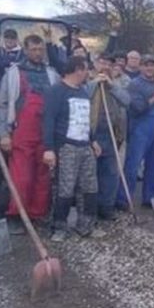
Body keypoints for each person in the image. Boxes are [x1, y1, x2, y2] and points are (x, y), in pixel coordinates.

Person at [0, 35, 60, 230]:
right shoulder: (13, 74)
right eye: (33, 50)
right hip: (22, 131)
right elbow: (2, 105)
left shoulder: (52, 74)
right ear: (25, 49)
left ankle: (37, 214)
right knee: (22, 177)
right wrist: (3, 134)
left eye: (41, 50)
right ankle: (16, 216)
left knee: (43, 175)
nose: (38, 53)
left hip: (46, 132)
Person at [43, 57, 105, 240]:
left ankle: (86, 225)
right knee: (65, 188)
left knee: (89, 187)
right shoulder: (56, 91)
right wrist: (49, 148)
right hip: (66, 146)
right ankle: (59, 227)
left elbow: (86, 119)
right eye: (86, 69)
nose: (88, 73)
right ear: (77, 69)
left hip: (85, 146)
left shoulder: (83, 91)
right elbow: (48, 120)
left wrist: (93, 140)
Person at [89, 53, 130, 220]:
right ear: (96, 64)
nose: (105, 66)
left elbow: (126, 101)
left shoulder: (117, 84)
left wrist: (111, 86)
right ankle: (89, 210)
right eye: (102, 62)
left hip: (112, 134)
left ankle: (106, 207)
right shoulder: (87, 80)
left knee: (111, 173)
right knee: (91, 174)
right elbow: (81, 96)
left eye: (108, 64)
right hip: (92, 135)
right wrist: (94, 84)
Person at [123, 55, 154, 207]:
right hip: (140, 127)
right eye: (146, 65)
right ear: (141, 67)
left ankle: (149, 197)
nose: (149, 68)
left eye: (152, 65)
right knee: (133, 165)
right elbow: (137, 108)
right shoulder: (135, 85)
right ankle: (123, 198)